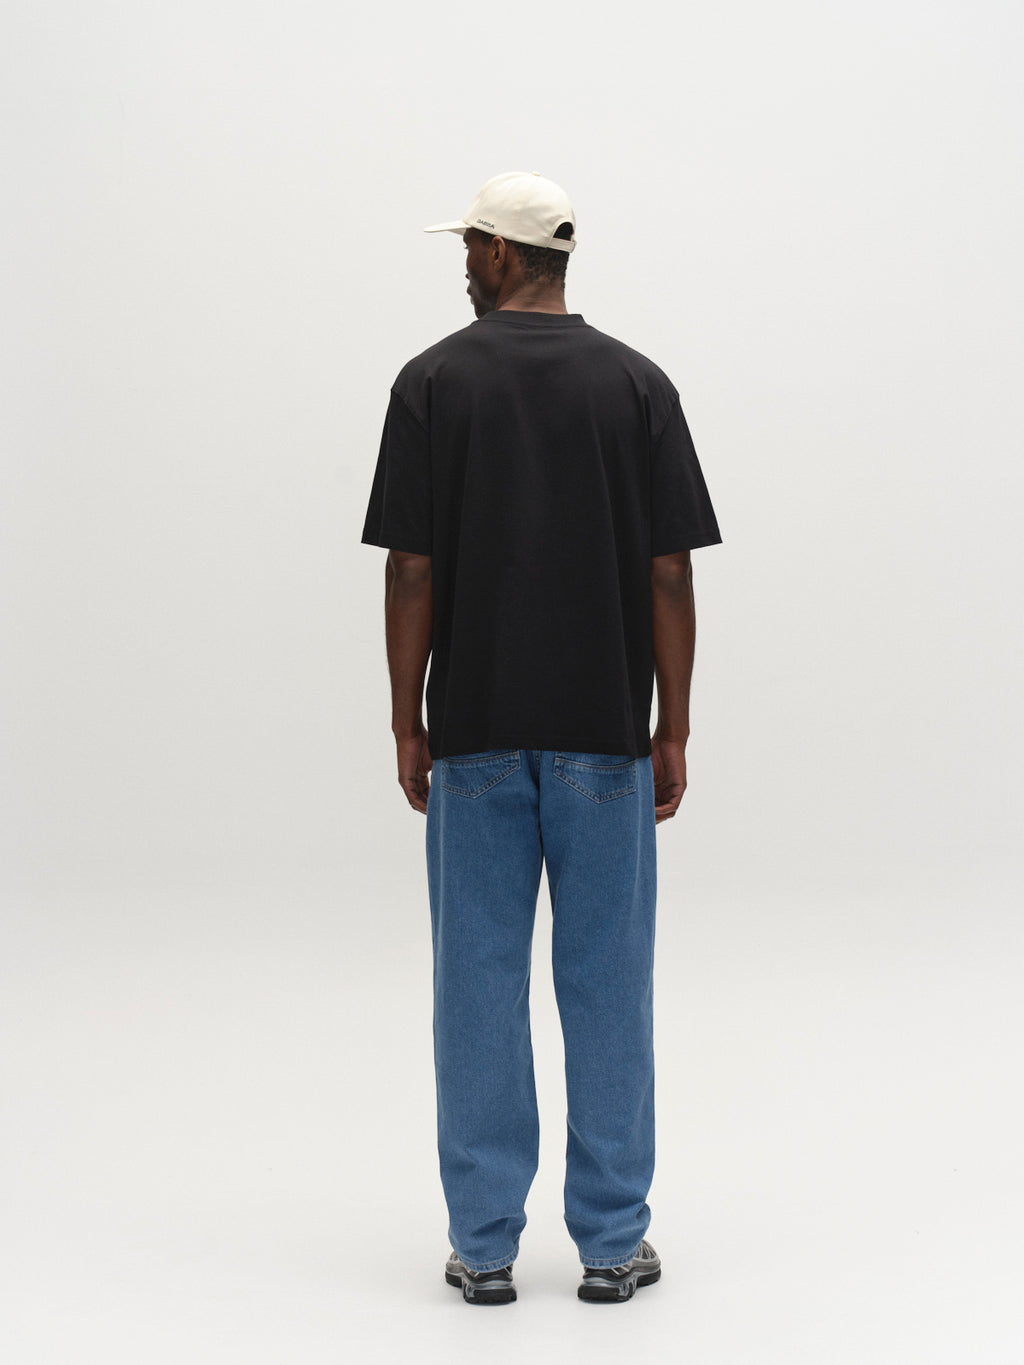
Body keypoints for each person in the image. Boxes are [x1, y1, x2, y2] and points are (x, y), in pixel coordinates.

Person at [361, 171, 721, 1305]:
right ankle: (612, 1245)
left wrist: (407, 717)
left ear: (507, 254)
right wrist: (671, 725)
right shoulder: (637, 384)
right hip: (604, 736)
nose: (463, 262)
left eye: (471, 244)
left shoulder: (432, 382)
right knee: (609, 984)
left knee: (475, 987)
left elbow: (410, 568)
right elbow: (670, 572)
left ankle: (484, 1247)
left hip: (473, 736)